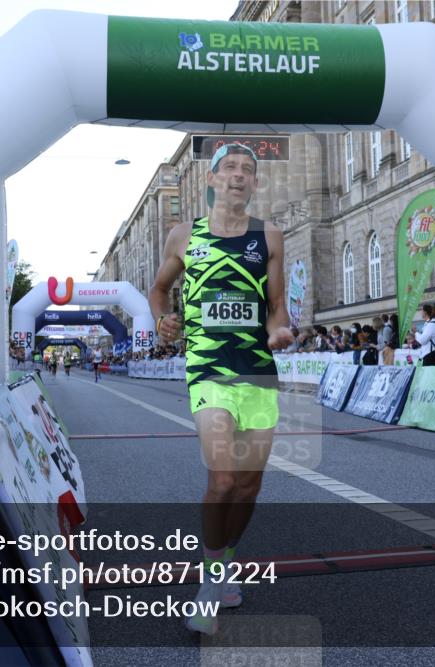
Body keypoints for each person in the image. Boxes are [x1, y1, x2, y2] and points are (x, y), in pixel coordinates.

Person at [148, 142, 293, 635]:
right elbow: (159, 290)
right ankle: (211, 583)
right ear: (211, 179)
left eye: (247, 169)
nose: (238, 174)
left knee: (249, 486)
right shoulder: (183, 235)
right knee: (224, 480)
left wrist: (279, 329)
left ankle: (225, 562)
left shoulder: (269, 236)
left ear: (255, 183)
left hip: (256, 370)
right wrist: (163, 321)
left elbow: (276, 304)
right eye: (228, 167)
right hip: (208, 368)